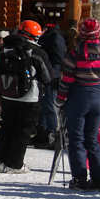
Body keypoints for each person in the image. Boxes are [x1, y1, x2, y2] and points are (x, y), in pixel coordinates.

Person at [56, 17, 100, 191]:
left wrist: (59, 100)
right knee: (93, 139)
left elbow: (67, 81)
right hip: (98, 100)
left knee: (76, 140)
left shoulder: (74, 55)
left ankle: (79, 179)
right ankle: (98, 180)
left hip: (78, 99)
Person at [0, 21, 53, 173]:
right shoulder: (36, 51)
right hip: (29, 97)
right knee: (23, 130)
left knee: (6, 126)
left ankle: (1, 160)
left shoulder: (5, 48)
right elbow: (47, 77)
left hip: (8, 93)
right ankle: (14, 164)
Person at [34, 20, 69, 149]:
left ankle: (52, 134)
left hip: (51, 75)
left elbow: (59, 58)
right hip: (44, 74)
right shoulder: (46, 38)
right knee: (42, 103)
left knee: (49, 104)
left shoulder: (55, 37)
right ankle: (41, 132)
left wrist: (44, 58)